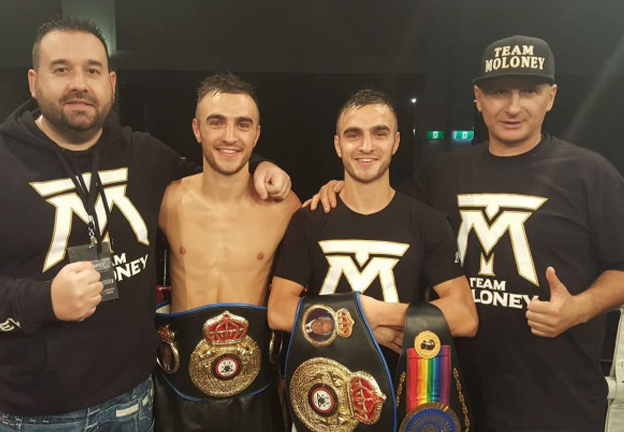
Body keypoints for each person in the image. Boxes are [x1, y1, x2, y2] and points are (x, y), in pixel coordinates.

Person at [0, 17, 290, 432]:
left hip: (134, 405)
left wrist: (265, 167)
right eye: (61, 69)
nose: (79, 83)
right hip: (33, 414)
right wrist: (43, 300)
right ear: (33, 80)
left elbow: (216, 170)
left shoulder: (143, 155)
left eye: (92, 70)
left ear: (111, 83)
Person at [310, 35, 624, 432]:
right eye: (498, 92)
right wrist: (333, 185)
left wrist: (580, 307)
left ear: (551, 96)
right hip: (450, 393)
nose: (512, 106)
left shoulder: (590, 174)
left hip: (557, 399)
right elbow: (374, 202)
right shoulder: (444, 172)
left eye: (529, 90)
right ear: (478, 98)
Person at [268, 89, 478, 431]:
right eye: (354, 135)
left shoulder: (427, 222)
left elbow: (465, 316)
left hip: (404, 401)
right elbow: (278, 310)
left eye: (379, 133)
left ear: (395, 142)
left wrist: (375, 315)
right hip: (323, 398)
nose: (366, 146)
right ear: (338, 145)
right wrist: (367, 330)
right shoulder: (311, 218)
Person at [154, 73, 300, 432]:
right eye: (216, 122)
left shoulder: (285, 207)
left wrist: (336, 186)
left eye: (242, 124)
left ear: (257, 134)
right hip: (179, 389)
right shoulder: (167, 200)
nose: (230, 136)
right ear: (197, 129)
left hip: (255, 393)